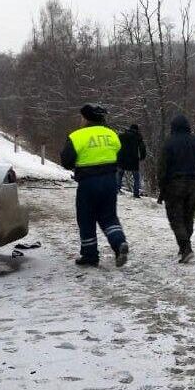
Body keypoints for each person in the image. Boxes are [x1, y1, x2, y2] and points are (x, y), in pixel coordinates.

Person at [60, 104, 130, 268]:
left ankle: (90, 255)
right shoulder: (111, 134)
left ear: (85, 118)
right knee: (109, 216)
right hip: (109, 181)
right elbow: (120, 154)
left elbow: (66, 161)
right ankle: (119, 243)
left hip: (88, 182)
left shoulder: (77, 136)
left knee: (86, 218)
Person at [157, 114, 195, 263]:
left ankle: (186, 248)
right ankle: (184, 246)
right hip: (193, 184)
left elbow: (161, 168)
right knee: (188, 216)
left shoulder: (169, 143)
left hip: (174, 184)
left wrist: (162, 186)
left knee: (175, 218)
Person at [117, 123, 147, 198]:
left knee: (120, 174)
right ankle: (136, 193)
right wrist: (142, 157)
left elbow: (116, 145)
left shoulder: (122, 136)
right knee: (136, 178)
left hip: (122, 158)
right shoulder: (138, 137)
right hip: (133, 159)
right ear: (137, 130)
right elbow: (142, 148)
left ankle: (117, 189)